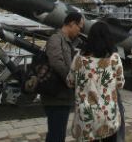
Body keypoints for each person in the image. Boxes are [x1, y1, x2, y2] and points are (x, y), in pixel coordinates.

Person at [68, 21, 125, 142]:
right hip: (108, 115)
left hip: (85, 116)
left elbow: (70, 82)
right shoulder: (114, 59)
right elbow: (120, 84)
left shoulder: (78, 58)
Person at [42, 12, 85, 142]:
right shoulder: (56, 38)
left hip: (62, 96)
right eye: (79, 27)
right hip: (56, 96)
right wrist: (71, 80)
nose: (80, 31)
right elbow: (56, 63)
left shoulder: (67, 41)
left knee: (57, 134)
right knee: (57, 135)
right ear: (72, 23)